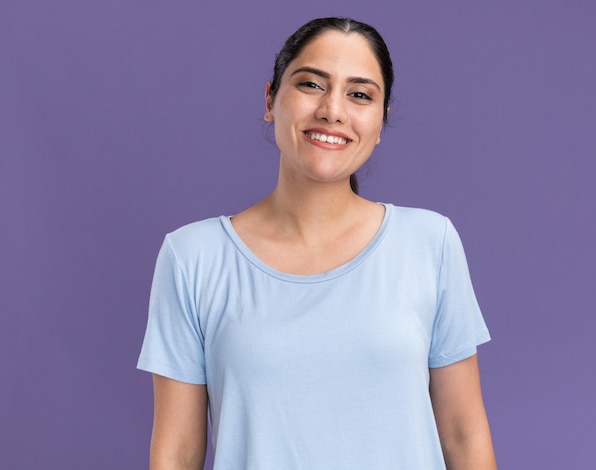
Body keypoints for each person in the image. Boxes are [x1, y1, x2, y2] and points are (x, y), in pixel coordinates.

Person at [138, 17, 497, 470]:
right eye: (311, 84)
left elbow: (465, 436)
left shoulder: (431, 243)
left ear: (381, 120)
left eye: (360, 94)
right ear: (270, 100)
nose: (333, 110)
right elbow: (177, 450)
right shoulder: (192, 257)